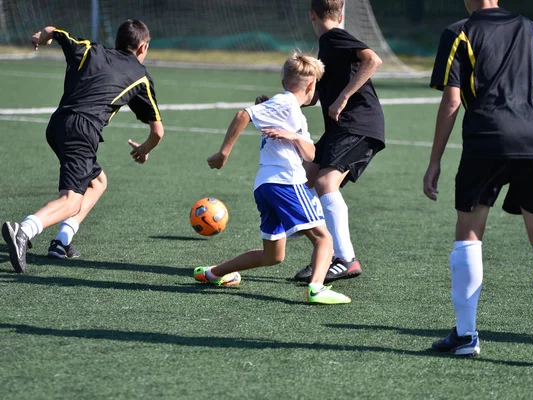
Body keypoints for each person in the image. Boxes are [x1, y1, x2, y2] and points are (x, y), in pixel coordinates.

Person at [423, 0, 533, 365]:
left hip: (486, 139)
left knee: (469, 236)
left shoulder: (459, 32)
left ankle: (466, 334)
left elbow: (452, 101)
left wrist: (435, 160)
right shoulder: (532, 28)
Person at [2, 20, 164, 273]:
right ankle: (23, 231)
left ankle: (61, 241)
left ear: (116, 42)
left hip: (57, 125)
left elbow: (57, 32)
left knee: (98, 182)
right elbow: (158, 132)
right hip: (82, 131)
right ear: (143, 47)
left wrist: (43, 37)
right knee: (71, 201)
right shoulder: (140, 76)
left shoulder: (90, 49)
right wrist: (145, 149)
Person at [196, 51, 350, 305]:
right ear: (312, 86)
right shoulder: (286, 103)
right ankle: (317, 288)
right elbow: (243, 114)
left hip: (266, 186)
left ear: (283, 81)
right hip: (286, 181)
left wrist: (293, 137)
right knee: (324, 239)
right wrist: (223, 153)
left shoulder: (292, 113)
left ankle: (213, 273)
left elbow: (311, 154)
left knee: (273, 255)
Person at [291, 0, 386, 283]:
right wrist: (276, 104)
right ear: (341, 14)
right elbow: (314, 97)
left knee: (324, 183)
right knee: (303, 180)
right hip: (339, 129)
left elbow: (372, 59)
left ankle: (346, 259)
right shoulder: (327, 46)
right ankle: (324, 257)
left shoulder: (334, 37)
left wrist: (344, 98)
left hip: (358, 125)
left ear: (312, 15)